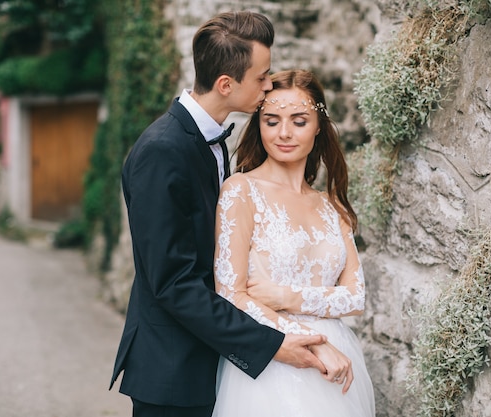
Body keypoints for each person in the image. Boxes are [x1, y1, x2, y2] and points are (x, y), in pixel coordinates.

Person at [109, 12, 336, 417]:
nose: (268, 87)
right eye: (262, 77)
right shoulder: (162, 152)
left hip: (209, 360)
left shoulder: (208, 140)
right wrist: (270, 342)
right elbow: (173, 282)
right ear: (226, 84)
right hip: (173, 372)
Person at [212, 69, 376, 417]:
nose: (283, 133)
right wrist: (315, 344)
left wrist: (286, 296)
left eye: (299, 121)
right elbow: (231, 294)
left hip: (339, 364)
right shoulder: (241, 192)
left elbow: (356, 296)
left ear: (318, 127)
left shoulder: (332, 207)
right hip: (275, 361)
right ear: (259, 125)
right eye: (271, 121)